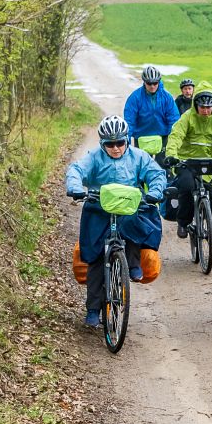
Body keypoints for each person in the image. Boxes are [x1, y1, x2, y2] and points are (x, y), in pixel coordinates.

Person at [66, 115, 167, 328]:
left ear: (127, 140)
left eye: (120, 143)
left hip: (128, 206)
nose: (115, 148)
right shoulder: (94, 157)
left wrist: (155, 192)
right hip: (98, 208)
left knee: (135, 224)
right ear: (102, 143)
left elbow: (156, 174)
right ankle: (93, 309)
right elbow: (76, 169)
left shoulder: (138, 157)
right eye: (110, 144)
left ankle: (132, 264)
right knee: (94, 257)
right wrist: (75, 188)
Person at [164, 81, 212, 243]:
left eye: (209, 107)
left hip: (208, 162)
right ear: (196, 105)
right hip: (186, 162)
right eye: (202, 107)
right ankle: (183, 222)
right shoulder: (187, 117)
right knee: (187, 186)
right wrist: (172, 155)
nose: (206, 111)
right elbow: (176, 136)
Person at [123, 65, 180, 162]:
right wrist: (126, 142)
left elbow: (174, 120)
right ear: (144, 82)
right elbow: (129, 121)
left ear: (159, 82)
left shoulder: (167, 97)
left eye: (155, 83)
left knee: (163, 166)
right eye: (149, 83)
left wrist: (174, 140)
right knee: (141, 167)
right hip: (142, 137)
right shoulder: (135, 97)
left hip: (162, 137)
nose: (152, 86)